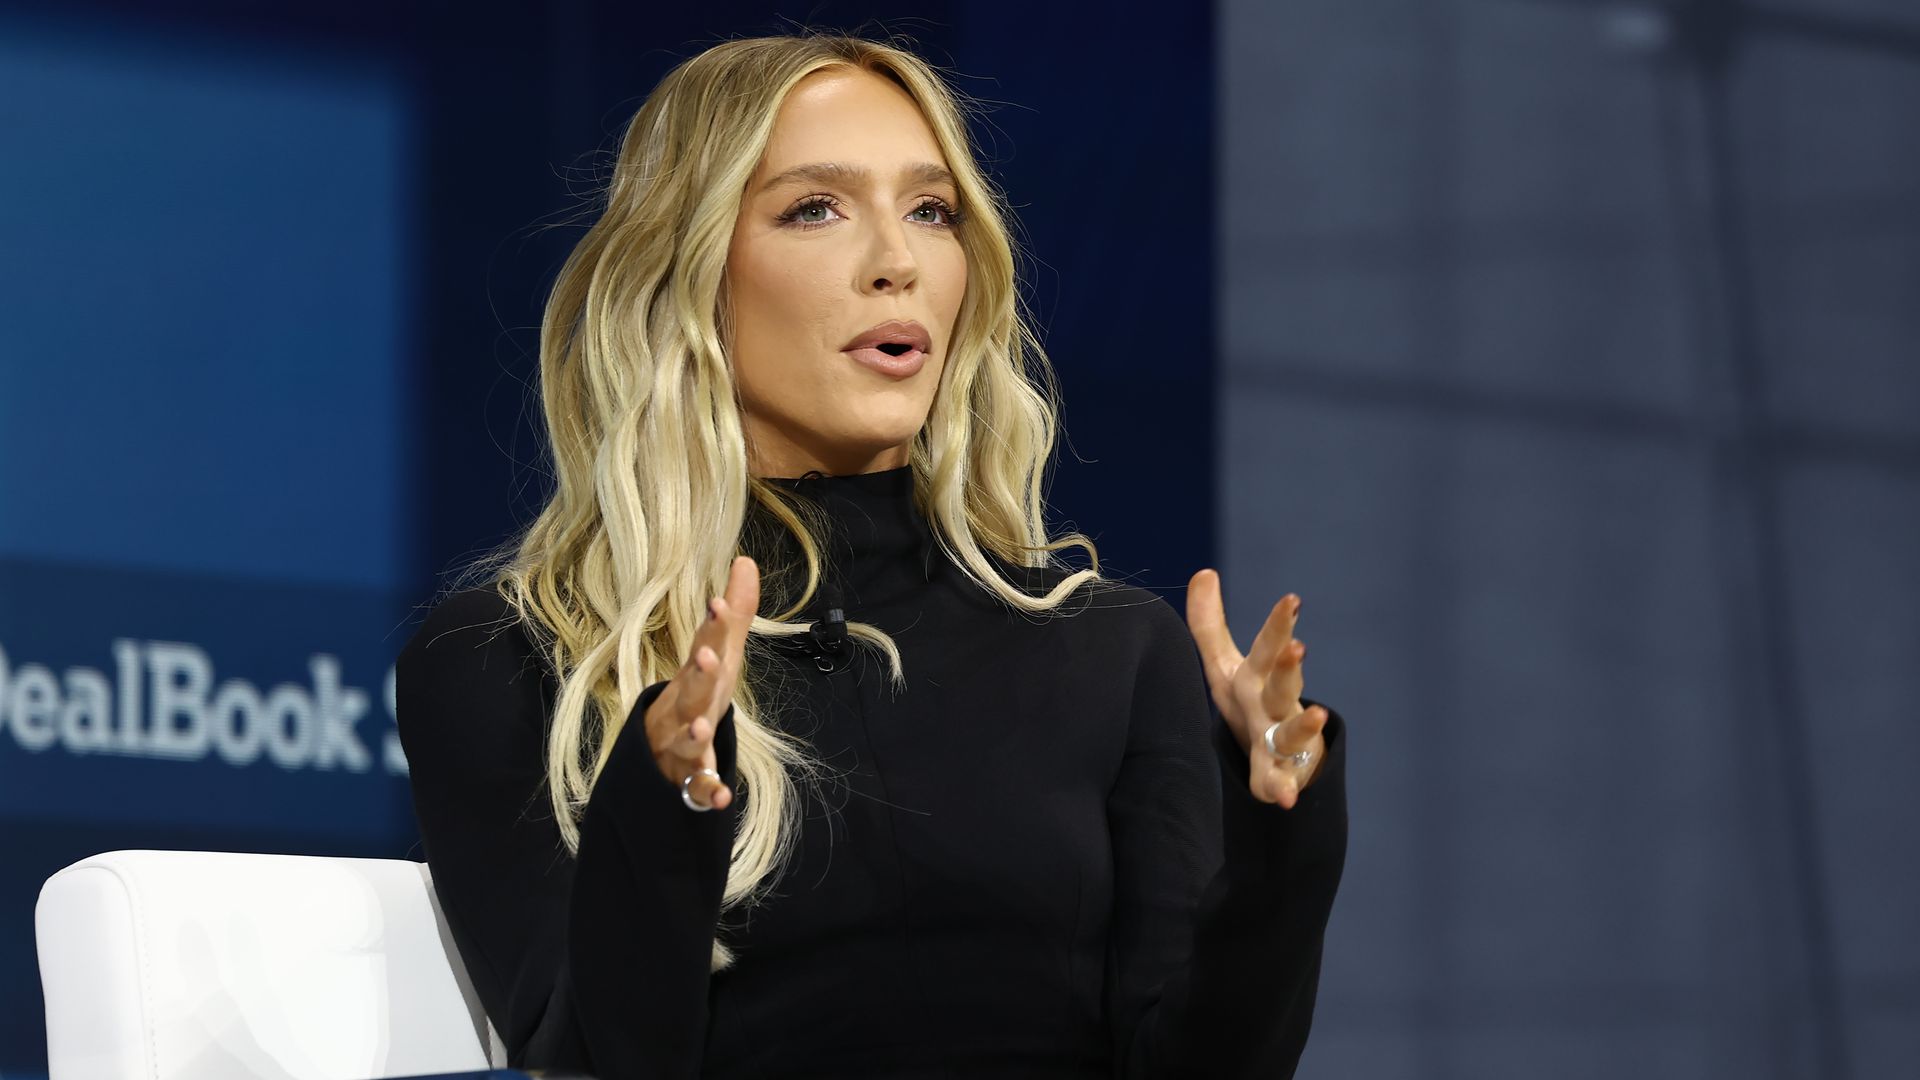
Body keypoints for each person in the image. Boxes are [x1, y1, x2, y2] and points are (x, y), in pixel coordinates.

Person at [397, 31, 1348, 1080]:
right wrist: (663, 802)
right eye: (817, 207)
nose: (896, 261)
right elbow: (593, 1060)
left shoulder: (1112, 653)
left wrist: (1277, 835)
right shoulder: (510, 660)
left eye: (931, 211)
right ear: (693, 271)